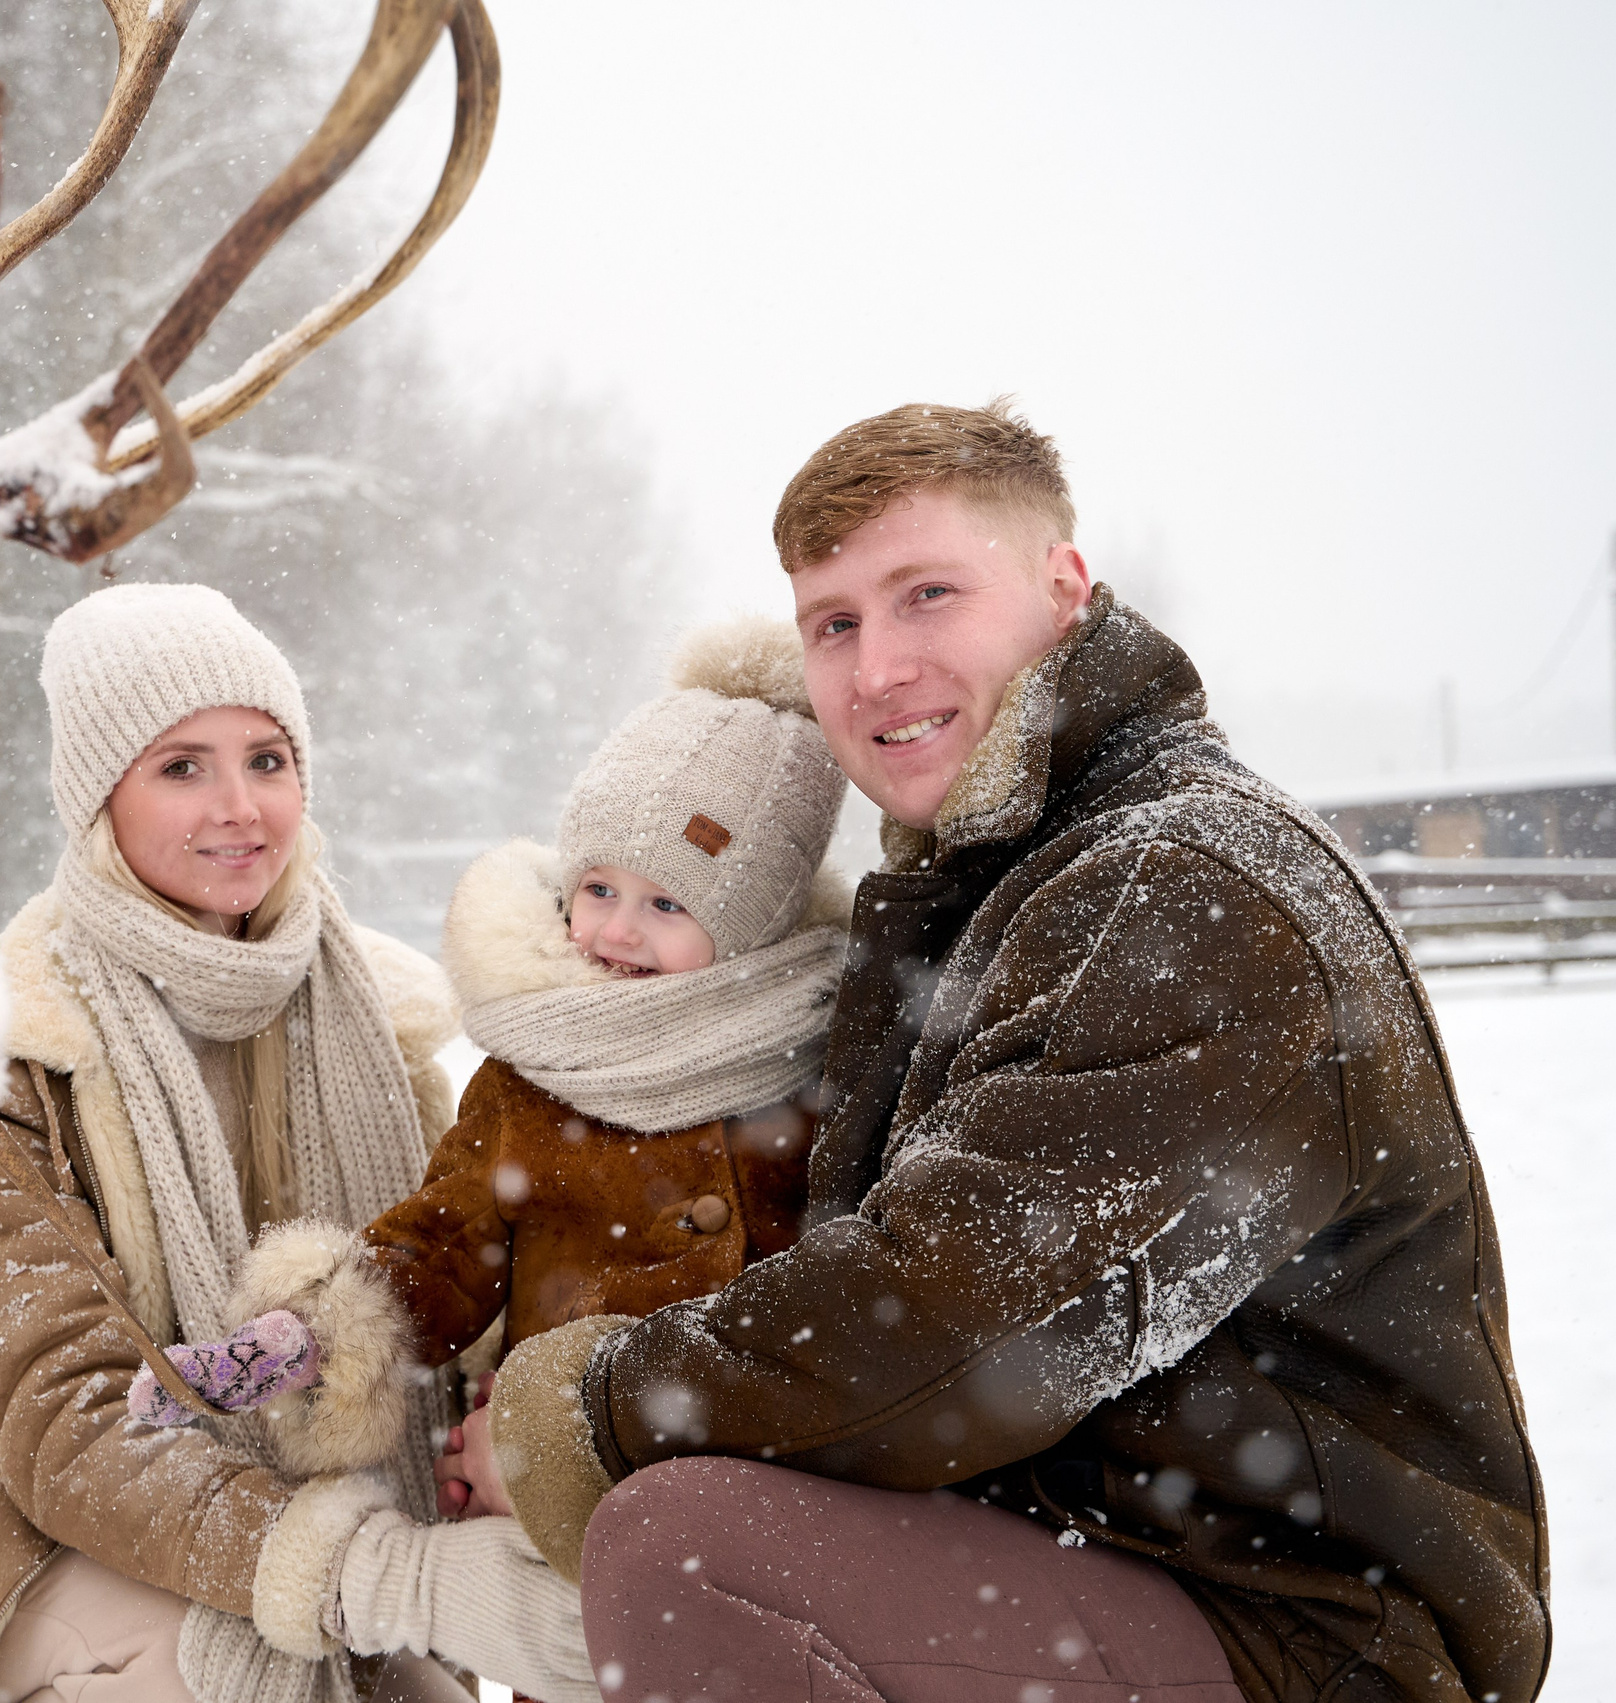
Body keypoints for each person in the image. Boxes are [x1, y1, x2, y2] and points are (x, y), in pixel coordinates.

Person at [456, 403, 1549, 1703]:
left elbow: (959, 1319)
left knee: (693, 1551)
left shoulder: (1181, 890)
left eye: (929, 594)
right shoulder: (1005, 888)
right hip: (1128, 1554)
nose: (878, 666)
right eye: (836, 623)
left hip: (1311, 1627)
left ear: (1062, 587)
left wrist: (595, 1405)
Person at [0, 584, 593, 1703]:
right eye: (181, 766)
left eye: (268, 758)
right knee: (233, 1672)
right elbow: (66, 1410)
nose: (238, 806)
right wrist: (386, 1571)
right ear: (100, 798)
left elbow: (448, 1291)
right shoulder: (7, 1052)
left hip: (296, 1521)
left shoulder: (379, 1030)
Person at [125, 620, 851, 1518]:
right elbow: (448, 1236)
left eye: (667, 903)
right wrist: (324, 1328)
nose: (618, 930)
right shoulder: (535, 1075)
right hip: (554, 1471)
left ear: (756, 928)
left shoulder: (817, 1064)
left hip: (765, 1475)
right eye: (599, 890)